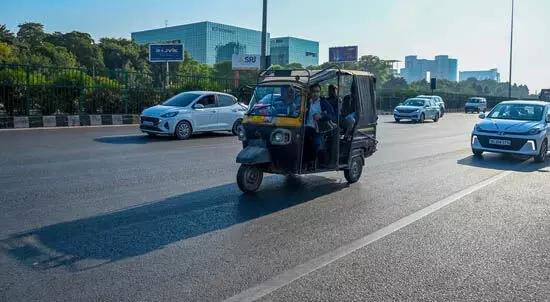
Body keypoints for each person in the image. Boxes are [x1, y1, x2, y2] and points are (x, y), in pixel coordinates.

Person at [304, 83, 336, 165]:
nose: (316, 94)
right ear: (310, 92)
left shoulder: (323, 102)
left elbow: (332, 115)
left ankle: (313, 161)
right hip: (305, 127)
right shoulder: (306, 102)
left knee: (316, 143)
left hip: (317, 129)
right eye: (314, 92)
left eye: (317, 91)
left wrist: (321, 116)